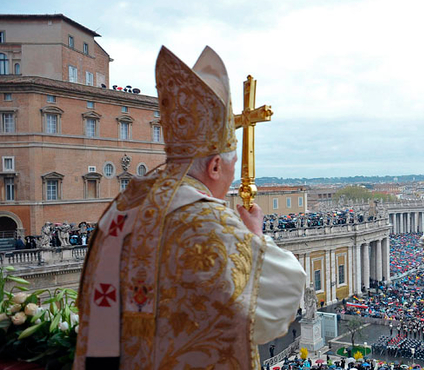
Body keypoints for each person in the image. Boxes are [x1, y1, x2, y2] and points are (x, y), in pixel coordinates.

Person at [73, 46, 306, 369]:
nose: (230, 179)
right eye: (230, 167)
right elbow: (278, 307)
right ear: (214, 167)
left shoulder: (121, 209)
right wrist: (256, 239)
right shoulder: (208, 221)